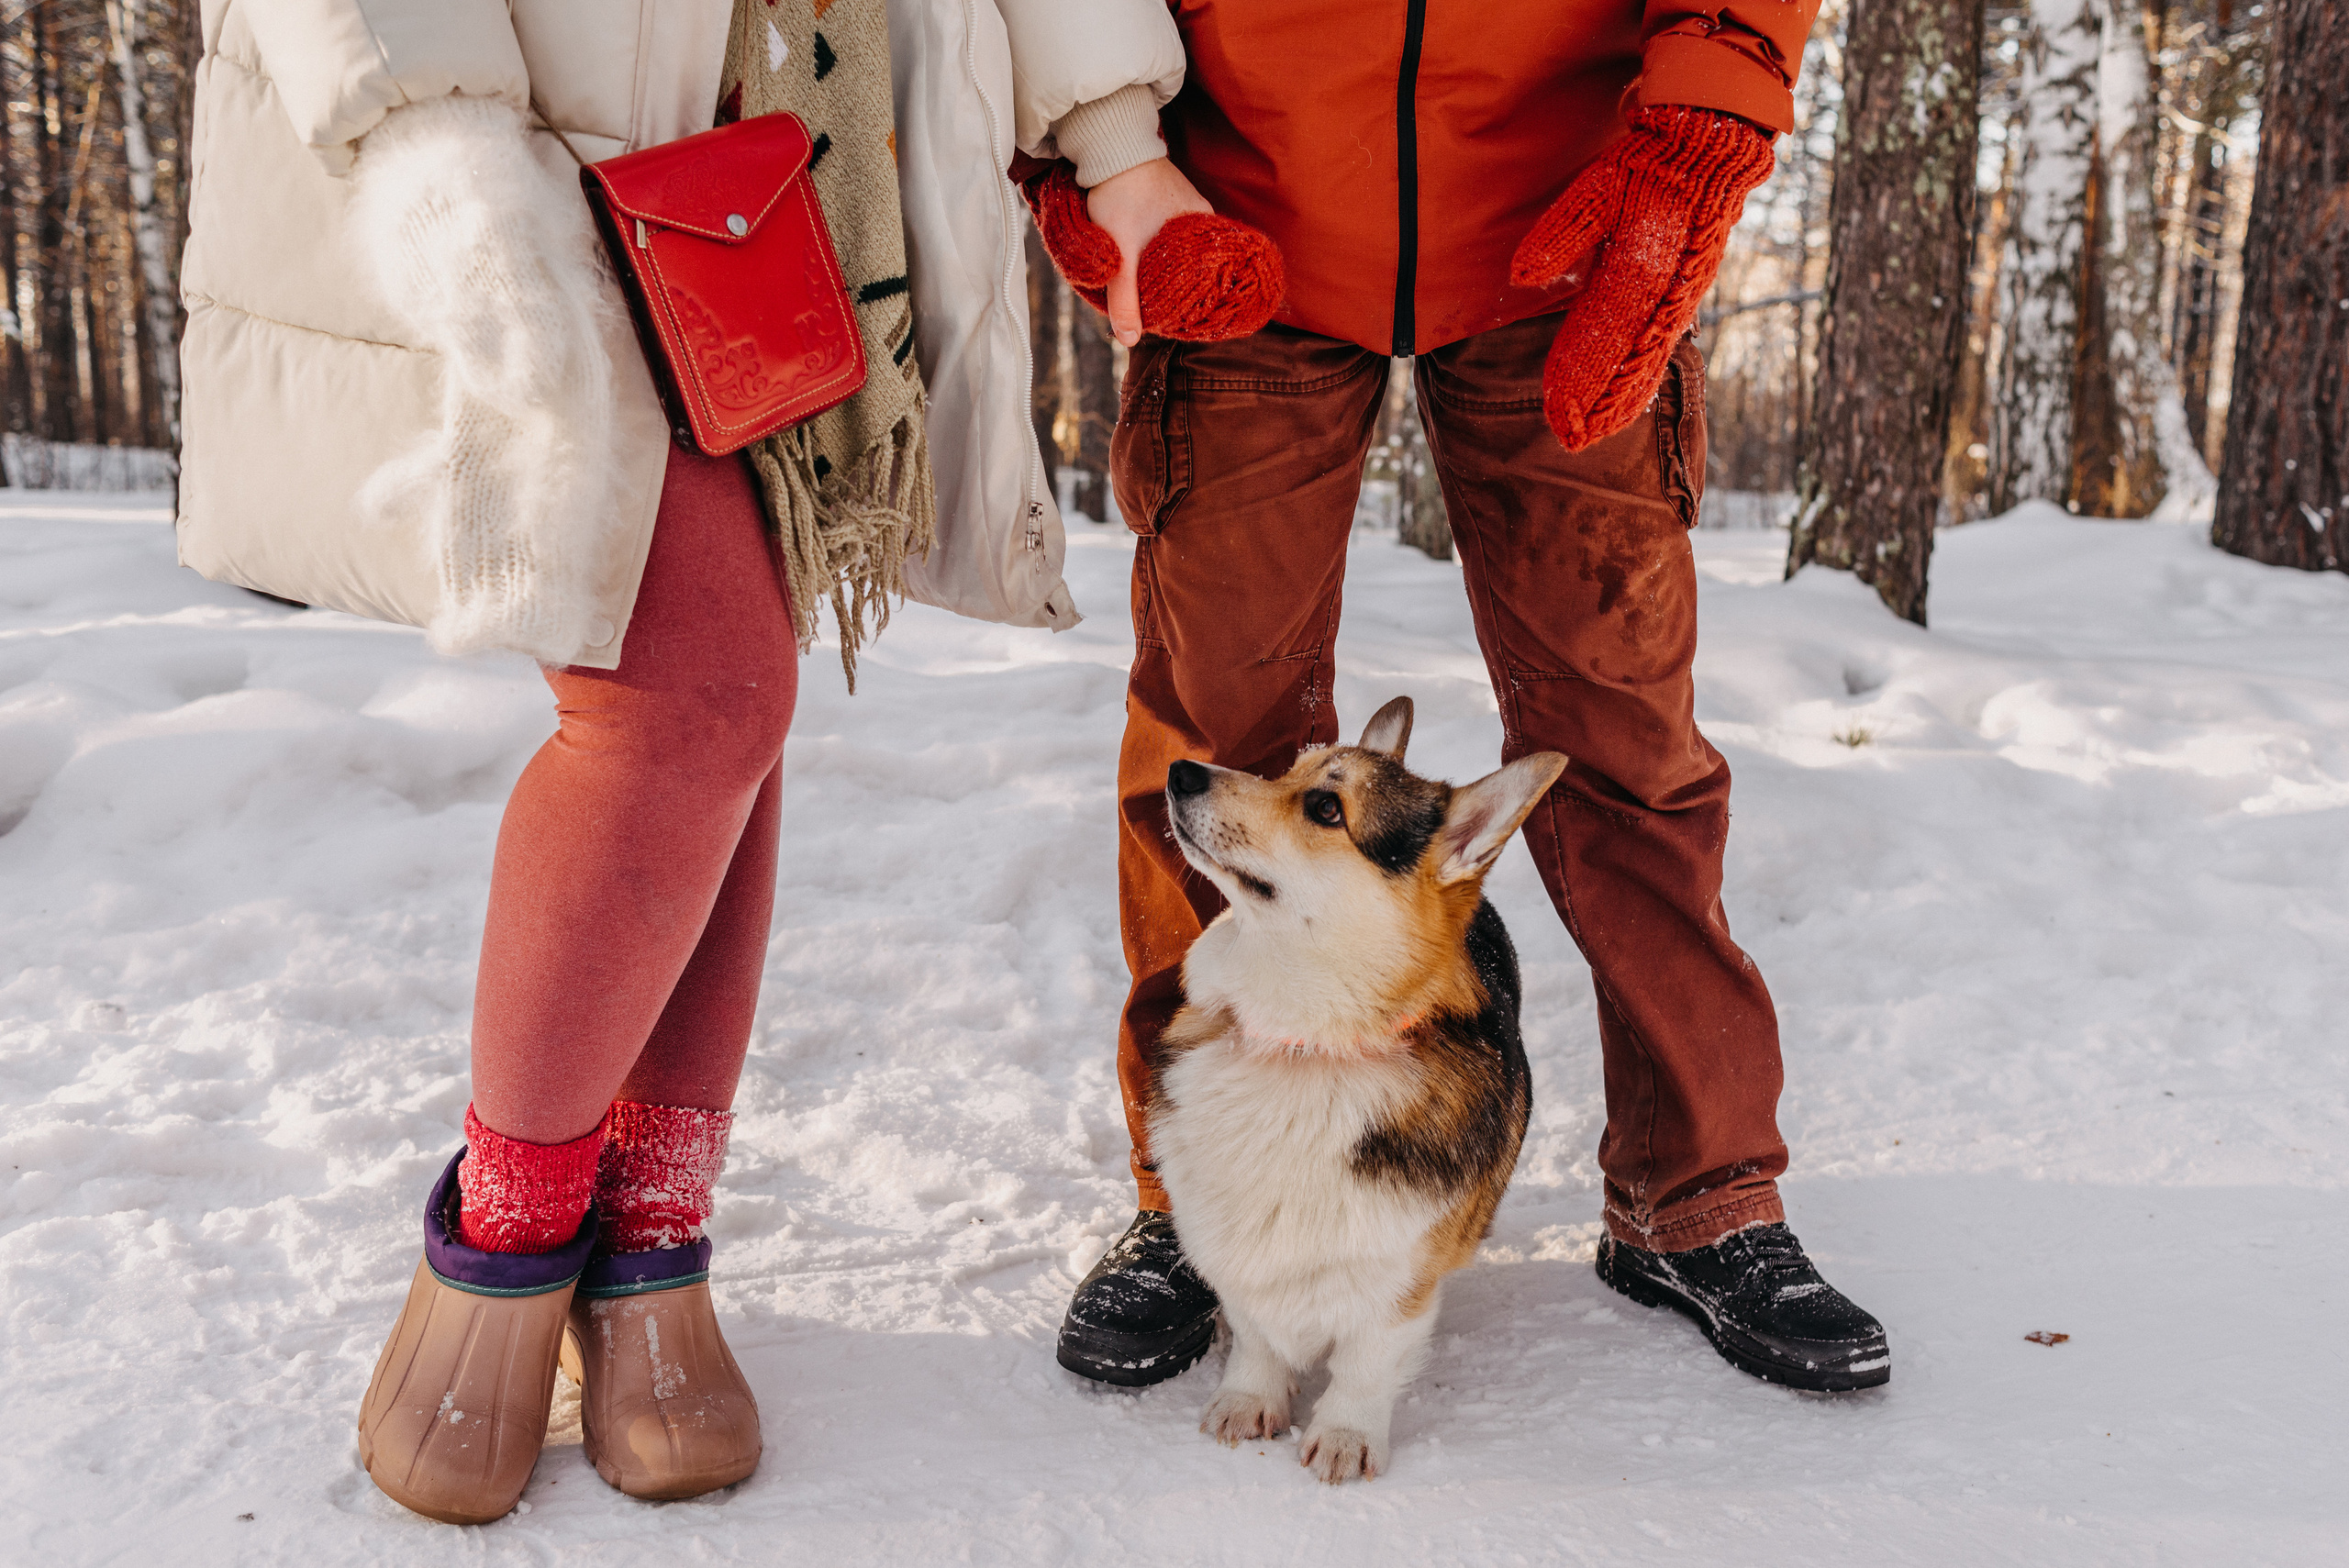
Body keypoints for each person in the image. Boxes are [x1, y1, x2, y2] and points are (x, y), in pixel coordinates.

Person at [173, 0, 1124, 1525]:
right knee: (690, 704)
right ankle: (506, 1240)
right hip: (542, 138)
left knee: (733, 711)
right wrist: (435, 127)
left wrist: (1115, 129)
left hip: (779, 149)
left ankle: (648, 1238)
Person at [1022, 1, 1894, 1396]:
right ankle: (1196, 1188)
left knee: (1622, 736)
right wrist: (1090, 139)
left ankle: (1700, 1188)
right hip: (1242, 216)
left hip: (1572, 212)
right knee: (1214, 748)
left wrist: (1698, 128)